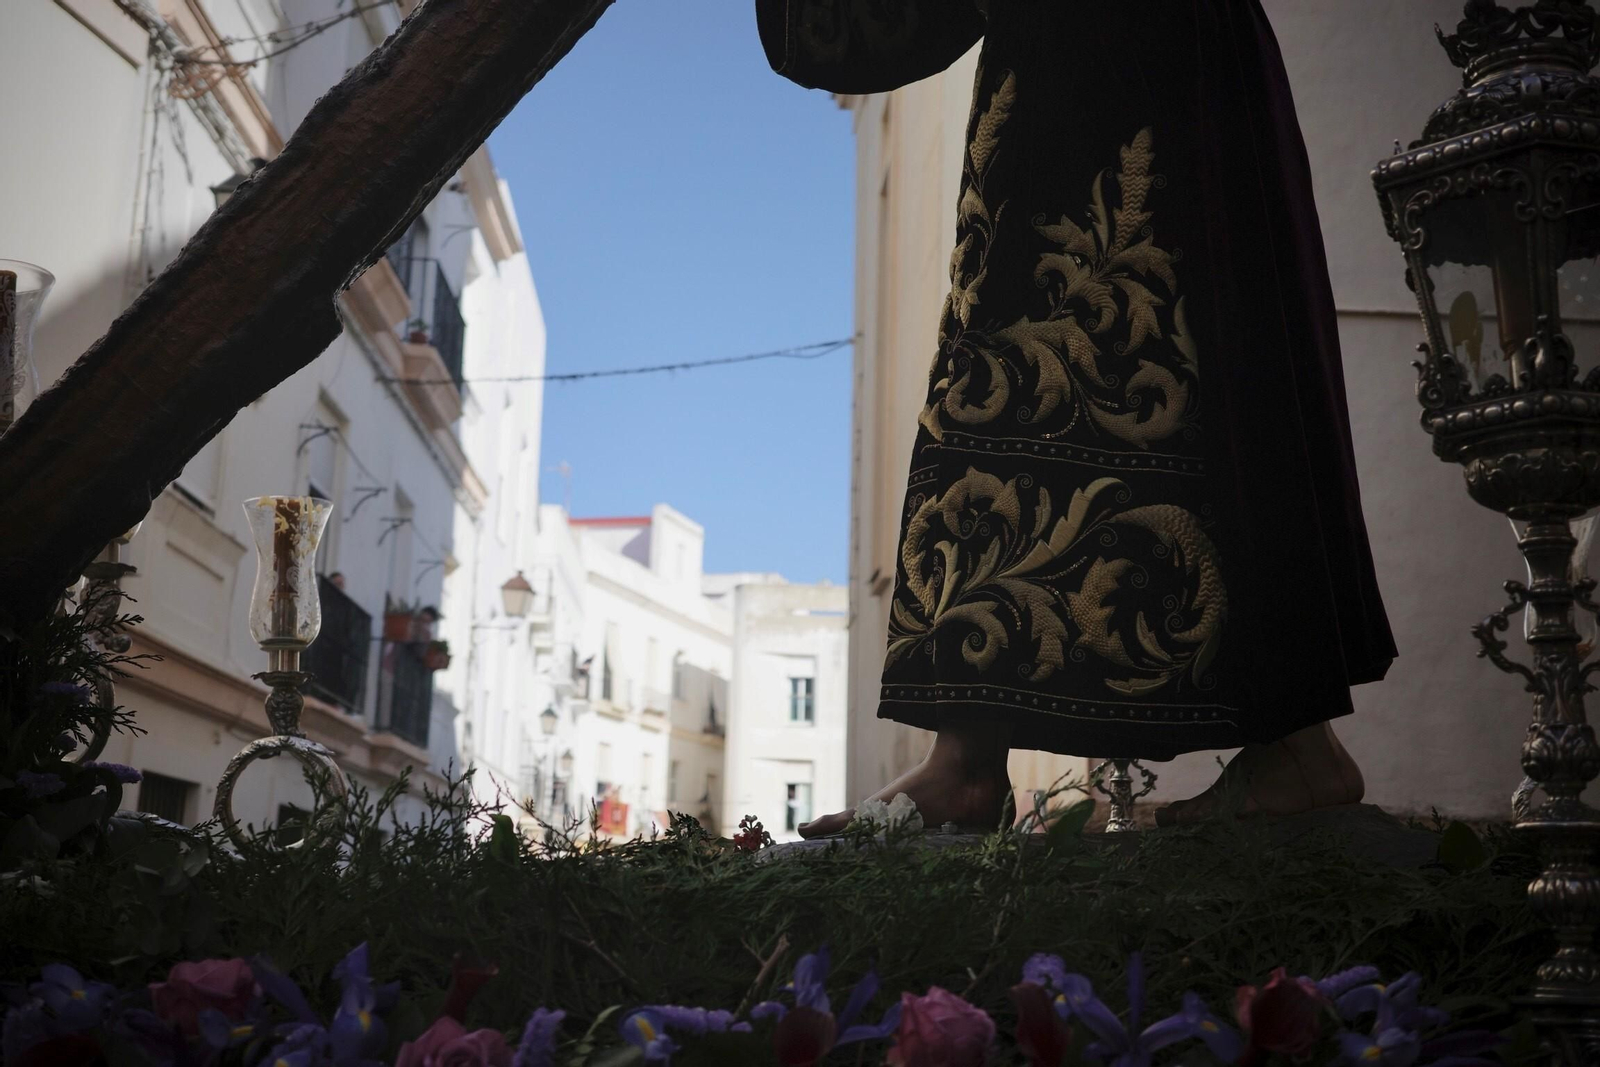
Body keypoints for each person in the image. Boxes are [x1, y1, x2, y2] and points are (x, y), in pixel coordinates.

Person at [754, 0, 1396, 837]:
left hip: (1106, 71)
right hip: (1153, 62)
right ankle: (1292, 749)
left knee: (1065, 344)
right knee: (1209, 359)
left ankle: (972, 762)